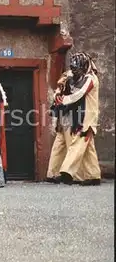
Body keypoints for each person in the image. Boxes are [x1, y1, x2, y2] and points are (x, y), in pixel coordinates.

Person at [56, 52, 101, 186]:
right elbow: (66, 76)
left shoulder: (91, 79)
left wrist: (63, 100)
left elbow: (79, 93)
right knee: (88, 148)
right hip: (81, 114)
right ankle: (94, 176)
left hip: (87, 116)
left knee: (79, 142)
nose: (75, 71)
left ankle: (67, 172)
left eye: (78, 68)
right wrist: (59, 90)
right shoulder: (78, 74)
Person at [45, 70, 82, 184]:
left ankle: (52, 173)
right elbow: (71, 104)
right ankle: (73, 175)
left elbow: (56, 104)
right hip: (69, 121)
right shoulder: (69, 90)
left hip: (61, 120)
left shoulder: (59, 90)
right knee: (71, 147)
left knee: (58, 147)